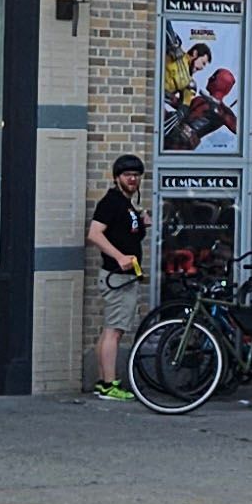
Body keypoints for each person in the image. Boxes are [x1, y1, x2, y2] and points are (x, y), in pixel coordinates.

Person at [88, 153, 148, 400]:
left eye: (136, 175)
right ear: (116, 178)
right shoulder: (111, 202)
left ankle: (104, 381)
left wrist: (142, 222)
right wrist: (120, 256)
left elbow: (125, 231)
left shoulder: (126, 203)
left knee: (110, 330)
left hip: (125, 277)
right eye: (127, 175)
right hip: (117, 277)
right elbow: (94, 233)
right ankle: (109, 385)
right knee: (114, 331)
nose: (132, 179)